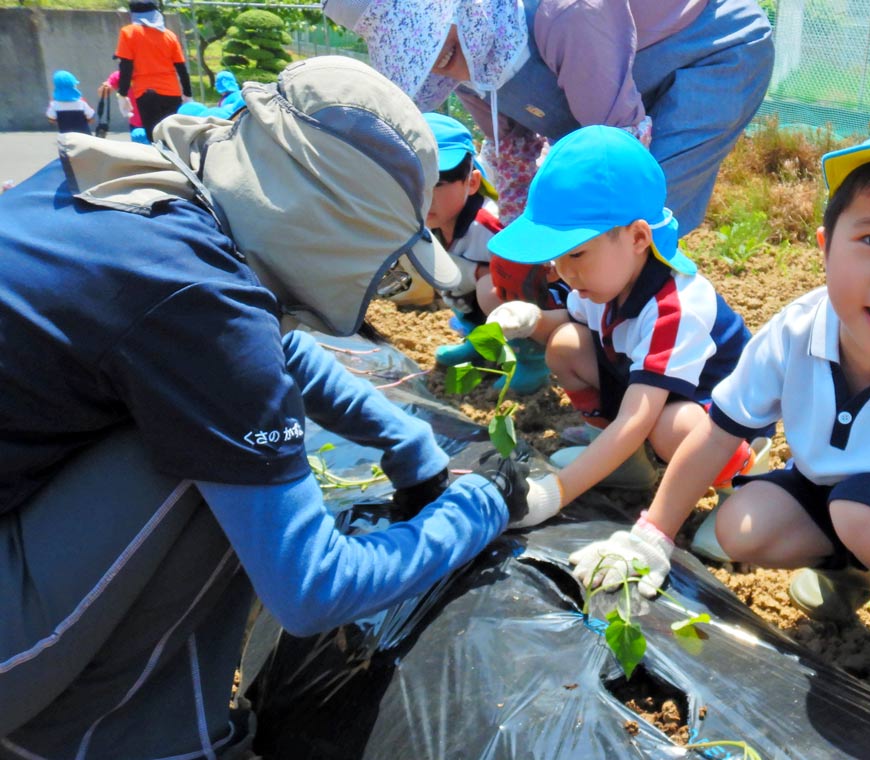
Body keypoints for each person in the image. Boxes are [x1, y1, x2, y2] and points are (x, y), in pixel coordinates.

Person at [0, 57, 560, 760]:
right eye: (384, 260)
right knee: (217, 454)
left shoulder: (135, 195)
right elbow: (310, 589)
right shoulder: (200, 302)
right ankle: (118, 742)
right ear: (331, 229)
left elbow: (261, 358)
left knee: (217, 422)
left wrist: (411, 447)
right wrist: (472, 510)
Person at [569, 122, 870, 740]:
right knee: (734, 526)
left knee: (862, 515)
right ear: (825, 245)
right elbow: (716, 432)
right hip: (840, 496)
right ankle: (853, 576)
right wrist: (651, 536)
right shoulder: (798, 329)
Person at [480, 125, 771, 520]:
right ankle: (626, 465)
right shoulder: (603, 283)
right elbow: (571, 322)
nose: (564, 273)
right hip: (656, 394)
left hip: (719, 421)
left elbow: (637, 420)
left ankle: (741, 486)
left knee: (670, 427)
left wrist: (554, 494)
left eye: (577, 254)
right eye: (557, 259)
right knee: (566, 345)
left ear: (637, 238)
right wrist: (528, 321)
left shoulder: (675, 308)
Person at [321, 0, 773, 234]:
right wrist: (522, 247)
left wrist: (570, 247)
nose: (437, 58)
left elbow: (616, 155)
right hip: (626, 92)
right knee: (598, 243)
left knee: (643, 218)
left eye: (432, 34)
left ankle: (661, 369)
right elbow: (515, 157)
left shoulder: (566, 15)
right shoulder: (468, 65)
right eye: (422, 52)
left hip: (710, 56)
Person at [418, 113, 557, 395]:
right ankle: (481, 344)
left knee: (491, 288)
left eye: (437, 185)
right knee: (460, 282)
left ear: (471, 183)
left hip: (535, 304)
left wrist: (479, 274)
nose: (424, 198)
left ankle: (533, 359)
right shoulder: (429, 220)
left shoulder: (488, 226)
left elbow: (532, 275)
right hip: (471, 300)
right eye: (415, 185)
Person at [114, 0, 193, 139]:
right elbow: (181, 68)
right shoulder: (169, 35)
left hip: (145, 94)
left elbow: (126, 66)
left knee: (155, 138)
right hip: (172, 93)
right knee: (173, 137)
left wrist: (123, 94)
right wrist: (187, 93)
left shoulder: (128, 33)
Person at [45, 70, 96, 134]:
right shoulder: (81, 102)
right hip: (84, 136)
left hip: (65, 136)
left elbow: (51, 119)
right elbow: (91, 117)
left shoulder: (54, 104)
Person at [98, 69, 143, 136]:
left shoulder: (150, 72)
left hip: (157, 120)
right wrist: (105, 88)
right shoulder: (119, 75)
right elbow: (102, 94)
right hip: (136, 124)